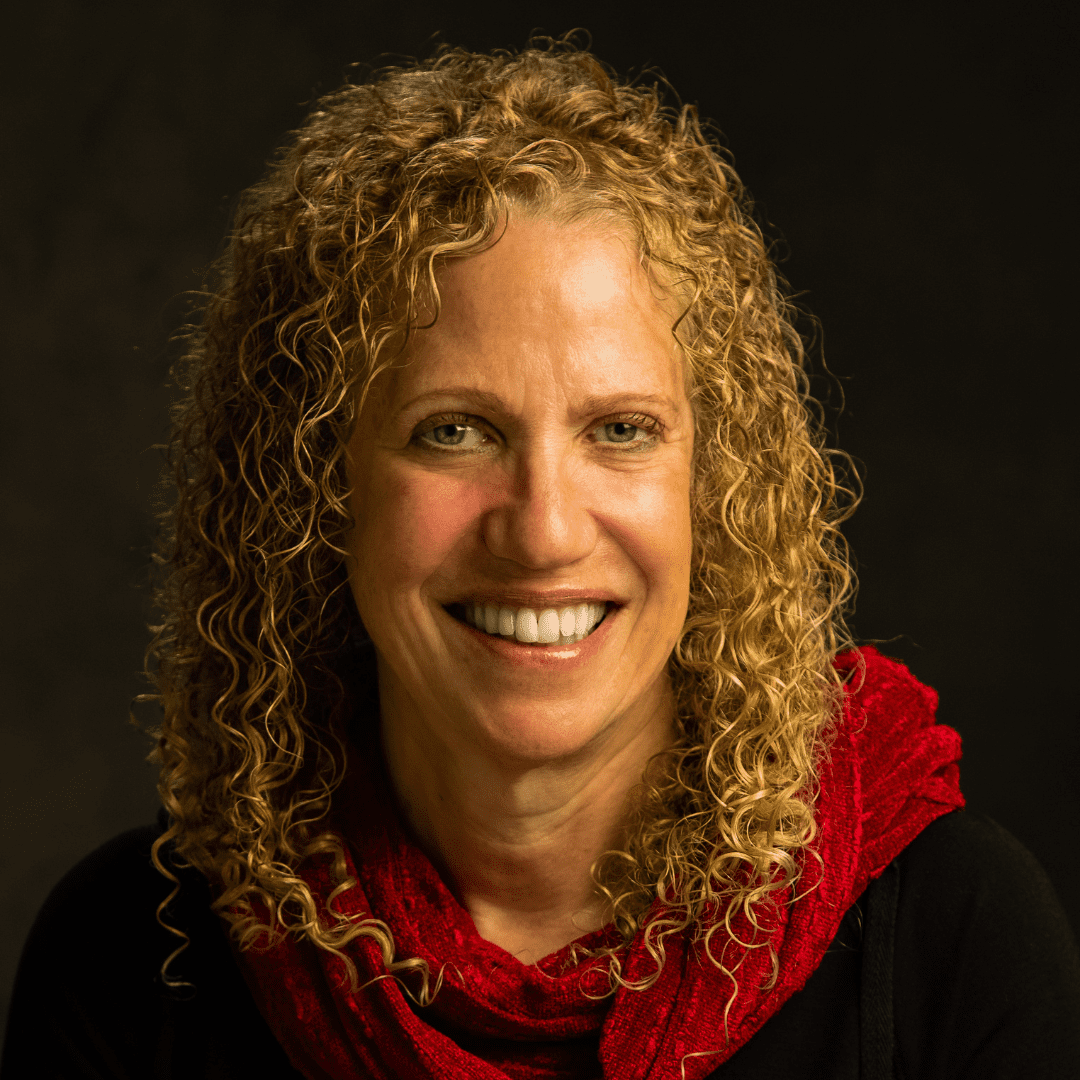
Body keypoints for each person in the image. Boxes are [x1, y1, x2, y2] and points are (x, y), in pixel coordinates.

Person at [3, 36, 1079, 1080]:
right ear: (316, 485)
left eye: (620, 430)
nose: (546, 530)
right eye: (454, 430)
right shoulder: (136, 962)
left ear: (715, 479)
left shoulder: (952, 939)